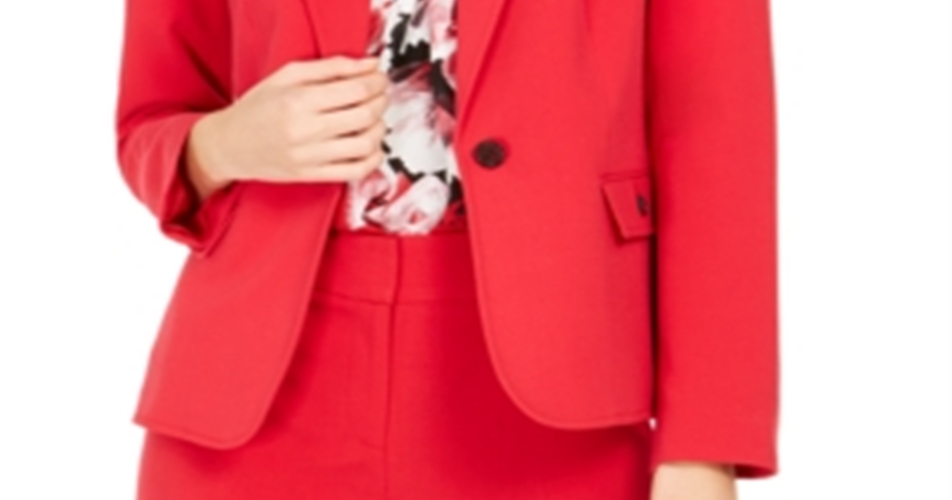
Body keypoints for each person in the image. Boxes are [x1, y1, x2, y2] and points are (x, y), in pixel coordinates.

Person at [114, 0, 779, 498]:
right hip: (253, 393)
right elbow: (151, 120)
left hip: (559, 401)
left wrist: (703, 449)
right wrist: (225, 144)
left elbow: (718, 148)